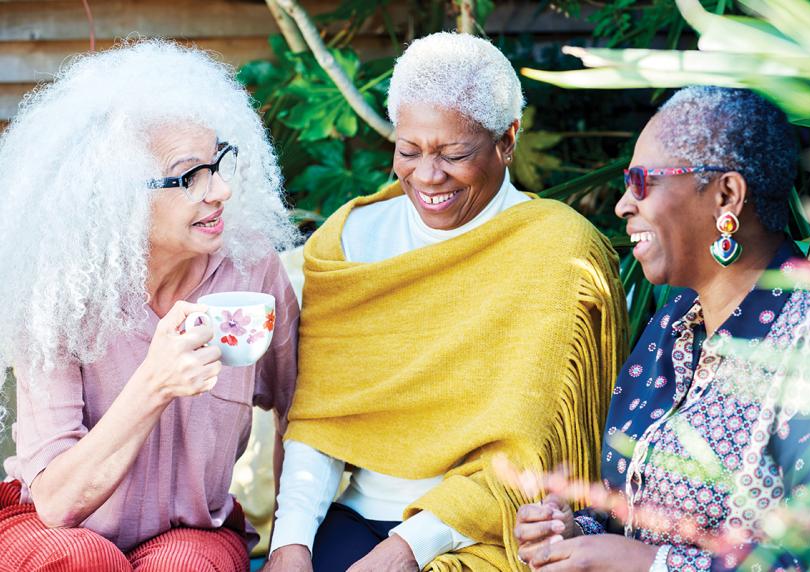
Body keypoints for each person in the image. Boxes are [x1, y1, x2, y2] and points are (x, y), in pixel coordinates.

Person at [263, 32, 628, 572]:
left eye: (454, 155)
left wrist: (407, 548)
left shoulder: (557, 251)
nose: (428, 176)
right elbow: (320, 421)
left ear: (508, 140)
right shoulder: (350, 239)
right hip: (358, 516)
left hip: (490, 529)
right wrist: (290, 543)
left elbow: (528, 451)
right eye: (408, 151)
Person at [514, 86, 810, 571]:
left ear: (726, 195)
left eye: (641, 181)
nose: (623, 205)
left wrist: (649, 564)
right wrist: (576, 534)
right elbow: (632, 520)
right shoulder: (676, 319)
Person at [0, 40, 300, 571]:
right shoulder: (59, 289)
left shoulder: (252, 271)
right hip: (51, 527)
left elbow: (301, 412)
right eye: (190, 176)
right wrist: (156, 383)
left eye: (218, 162)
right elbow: (56, 503)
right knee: (83, 560)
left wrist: (289, 545)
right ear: (117, 196)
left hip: (193, 530)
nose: (221, 190)